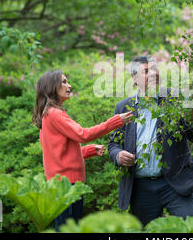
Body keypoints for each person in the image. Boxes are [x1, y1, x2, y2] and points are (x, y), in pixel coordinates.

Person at [108, 56, 193, 226]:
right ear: (134, 78)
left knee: (192, 229)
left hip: (174, 182)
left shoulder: (175, 99)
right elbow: (113, 144)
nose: (153, 74)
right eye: (146, 71)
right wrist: (118, 155)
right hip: (141, 188)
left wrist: (191, 118)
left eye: (155, 69)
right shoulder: (123, 107)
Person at [32, 70, 132, 231]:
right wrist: (115, 121)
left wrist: (89, 151)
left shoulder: (49, 114)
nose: (69, 85)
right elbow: (83, 134)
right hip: (66, 185)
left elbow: (58, 155)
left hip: (63, 184)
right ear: (52, 87)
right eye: (64, 82)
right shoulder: (55, 114)